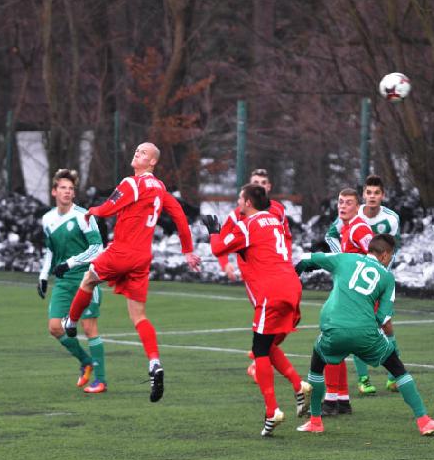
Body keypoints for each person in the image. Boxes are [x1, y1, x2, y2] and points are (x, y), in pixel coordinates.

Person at [62, 142, 201, 403]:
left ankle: (70, 321)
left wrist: (91, 212)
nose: (138, 153)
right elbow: (180, 216)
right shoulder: (160, 188)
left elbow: (109, 208)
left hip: (122, 252)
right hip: (142, 259)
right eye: (137, 150)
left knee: (88, 279)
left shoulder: (132, 183)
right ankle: (154, 363)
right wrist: (187, 250)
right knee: (138, 315)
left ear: (152, 162)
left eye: (143, 152)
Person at [294, 234, 434, 436]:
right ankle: (424, 421)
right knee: (398, 369)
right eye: (391, 255)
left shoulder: (345, 258)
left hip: (334, 329)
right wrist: (369, 330)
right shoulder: (387, 278)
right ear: (384, 255)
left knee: (316, 367)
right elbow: (384, 316)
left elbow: (308, 258)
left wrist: (297, 273)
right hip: (366, 332)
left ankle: (315, 421)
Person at [205, 183, 311, 437]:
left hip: (271, 291)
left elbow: (218, 248)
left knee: (260, 350)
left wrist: (213, 232)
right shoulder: (275, 220)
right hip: (291, 286)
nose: (238, 203)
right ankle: (299, 386)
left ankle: (272, 410)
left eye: (240, 199)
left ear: (248, 203)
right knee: (268, 345)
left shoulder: (247, 225)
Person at [214, 168, 293, 380]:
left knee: (286, 321)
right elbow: (222, 240)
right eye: (255, 182)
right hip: (254, 273)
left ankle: (261, 354)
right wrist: (225, 264)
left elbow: (286, 237)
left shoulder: (279, 210)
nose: (259, 186)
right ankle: (261, 360)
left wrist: (286, 259)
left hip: (279, 272)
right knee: (270, 319)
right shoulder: (237, 215)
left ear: (269, 187)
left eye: (263, 183)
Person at [38, 169, 108, 393]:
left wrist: (70, 263)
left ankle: (101, 380)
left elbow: (97, 248)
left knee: (88, 327)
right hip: (63, 281)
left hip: (87, 278)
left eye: (70, 189)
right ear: (54, 192)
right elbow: (50, 251)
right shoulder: (47, 219)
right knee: (55, 327)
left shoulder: (83, 216)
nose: (67, 192)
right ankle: (86, 361)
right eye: (63, 188)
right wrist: (43, 275)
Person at [320, 188, 373, 415]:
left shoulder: (359, 228)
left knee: (330, 342)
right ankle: (342, 400)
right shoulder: (347, 228)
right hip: (349, 298)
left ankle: (331, 401)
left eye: (348, 202)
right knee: (337, 345)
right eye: (340, 202)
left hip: (354, 300)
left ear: (358, 206)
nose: (342, 206)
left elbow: (376, 256)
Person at [353, 175, 403, 395]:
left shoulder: (391, 219)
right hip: (358, 282)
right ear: (364, 194)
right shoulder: (354, 214)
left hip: (381, 281)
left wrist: (382, 272)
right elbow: (332, 236)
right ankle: (363, 379)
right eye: (368, 192)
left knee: (386, 325)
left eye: (376, 193)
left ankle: (394, 377)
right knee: (360, 327)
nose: (372, 196)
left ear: (382, 195)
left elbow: (393, 249)